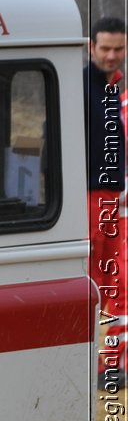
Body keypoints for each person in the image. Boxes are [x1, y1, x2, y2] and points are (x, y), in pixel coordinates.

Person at [86, 16, 126, 314]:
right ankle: (90, 358)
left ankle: (108, 359)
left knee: (113, 281)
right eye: (105, 48)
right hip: (90, 198)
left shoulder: (114, 90)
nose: (111, 55)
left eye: (119, 48)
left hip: (112, 199)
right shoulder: (82, 89)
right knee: (93, 282)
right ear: (92, 48)